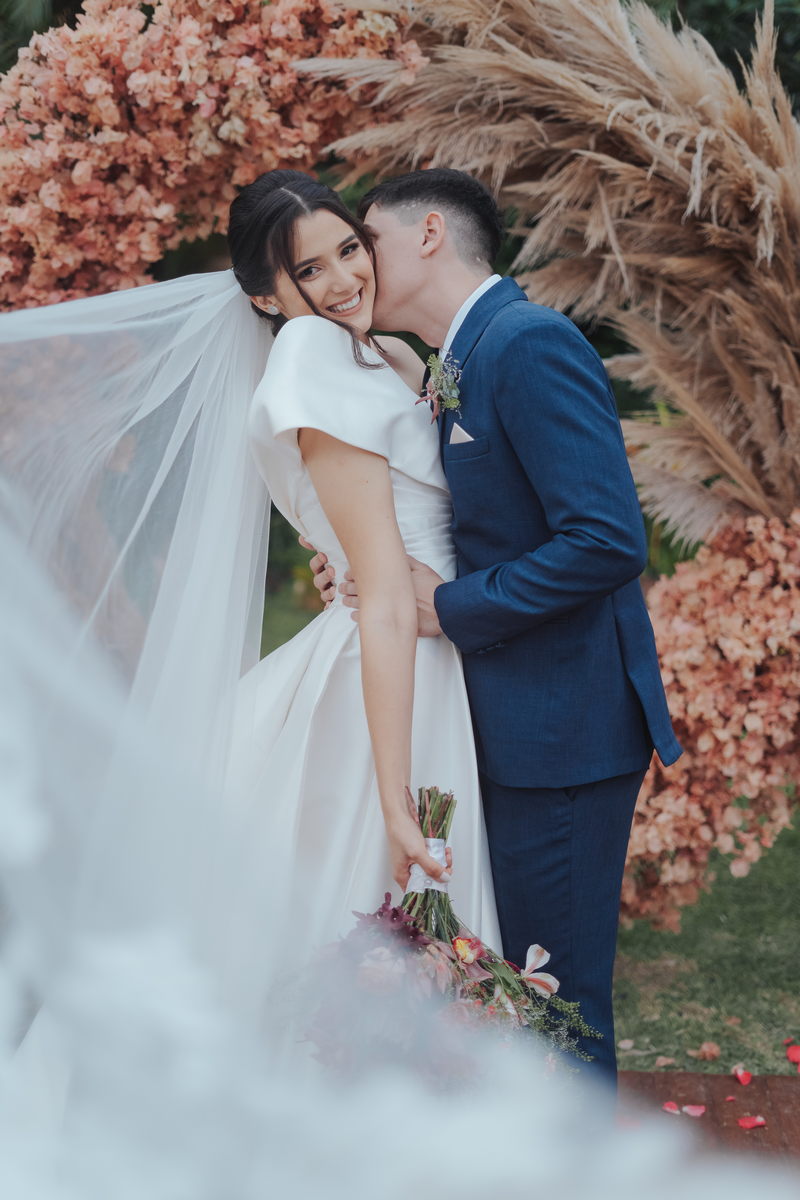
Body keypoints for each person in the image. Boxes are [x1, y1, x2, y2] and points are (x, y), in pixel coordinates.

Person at [306, 167, 683, 1085]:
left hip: (563, 730)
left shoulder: (527, 342)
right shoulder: (457, 361)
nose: (357, 266)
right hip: (511, 720)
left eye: (368, 242)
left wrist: (449, 607)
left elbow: (605, 538)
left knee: (555, 1000)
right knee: (517, 993)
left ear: (430, 233)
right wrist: (365, 564)